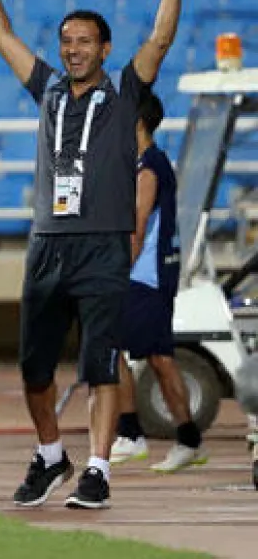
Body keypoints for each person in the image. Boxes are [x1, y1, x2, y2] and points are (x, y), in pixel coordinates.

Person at [0, 0, 190, 510]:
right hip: (48, 244)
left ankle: (97, 469)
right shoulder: (46, 89)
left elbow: (162, 38)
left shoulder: (123, 97)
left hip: (102, 248)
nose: (73, 49)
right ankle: (50, 457)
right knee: (33, 372)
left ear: (105, 48)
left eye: (85, 41)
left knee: (100, 365)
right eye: (67, 40)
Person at [111, 94, 207, 473]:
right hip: (150, 274)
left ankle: (135, 434)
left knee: (118, 349)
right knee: (152, 356)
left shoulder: (148, 167)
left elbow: (137, 226)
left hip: (145, 275)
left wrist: (119, 270)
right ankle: (183, 439)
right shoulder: (143, 163)